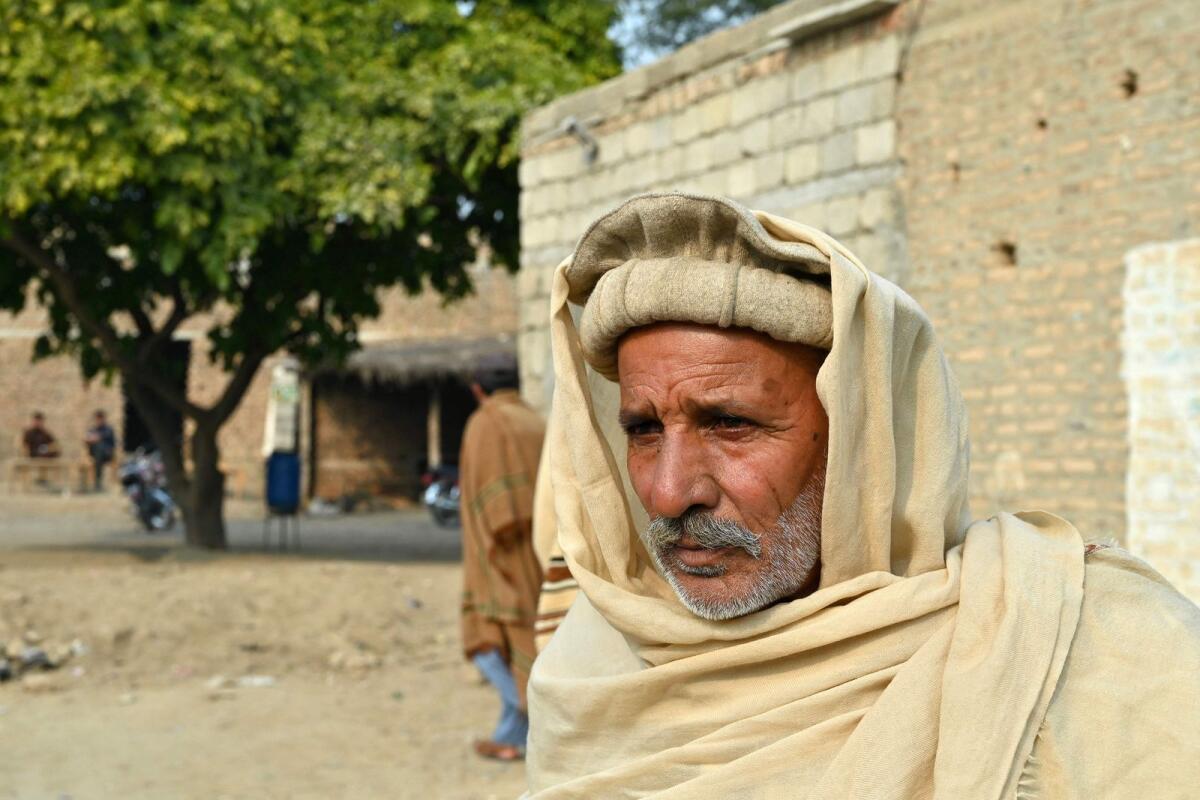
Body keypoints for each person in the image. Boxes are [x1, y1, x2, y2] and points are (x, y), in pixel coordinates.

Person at [525, 192, 1200, 797]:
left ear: (867, 443)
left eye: (730, 424)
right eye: (643, 430)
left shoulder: (1104, 650)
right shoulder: (591, 667)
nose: (670, 493)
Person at [458, 353, 545, 761]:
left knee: (485, 637)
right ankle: (513, 732)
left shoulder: (486, 423)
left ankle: (529, 721)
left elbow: (496, 507)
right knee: (528, 638)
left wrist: (499, 529)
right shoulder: (533, 420)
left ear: (478, 389)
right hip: (541, 548)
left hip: (500, 552)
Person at [83, 409, 116, 491]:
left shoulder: (108, 429)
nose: (98, 421)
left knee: (99, 448)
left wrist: (94, 438)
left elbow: (99, 438)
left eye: (100, 419)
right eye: (97, 419)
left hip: (107, 454)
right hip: (95, 455)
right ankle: (97, 483)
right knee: (98, 451)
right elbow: (87, 439)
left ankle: (97, 482)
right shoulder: (92, 429)